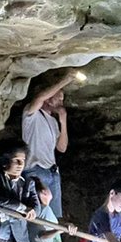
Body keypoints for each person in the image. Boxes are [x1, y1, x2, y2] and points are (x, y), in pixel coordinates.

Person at [21, 72, 82, 217]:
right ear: (48, 99)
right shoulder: (31, 114)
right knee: (38, 213)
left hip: (52, 171)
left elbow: (62, 148)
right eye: (58, 98)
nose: (61, 103)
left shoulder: (53, 122)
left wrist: (63, 121)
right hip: (35, 169)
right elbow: (39, 98)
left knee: (55, 217)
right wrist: (65, 80)